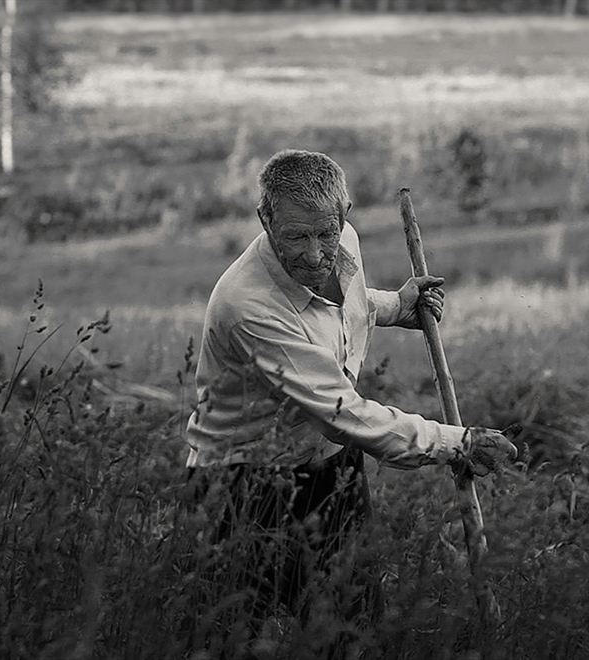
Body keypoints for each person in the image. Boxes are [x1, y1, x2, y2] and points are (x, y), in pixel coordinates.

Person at [184, 149, 517, 655]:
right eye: (296, 236)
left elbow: (344, 305)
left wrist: (397, 305)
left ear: (344, 214)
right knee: (226, 639)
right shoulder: (247, 307)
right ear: (264, 219)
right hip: (240, 486)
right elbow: (341, 413)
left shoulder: (344, 244)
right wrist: (457, 443)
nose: (316, 253)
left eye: (326, 232)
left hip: (329, 472)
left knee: (354, 631)